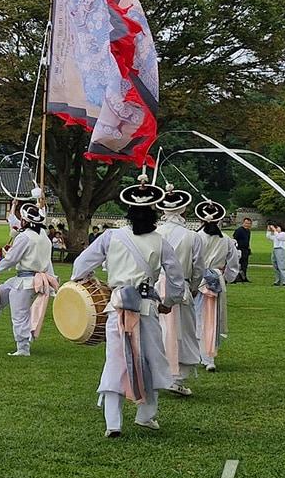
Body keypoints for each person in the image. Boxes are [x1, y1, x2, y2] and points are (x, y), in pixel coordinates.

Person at [71, 175, 184, 437]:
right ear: (154, 212)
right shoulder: (160, 242)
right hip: (146, 308)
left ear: (129, 211)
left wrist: (87, 283)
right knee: (151, 360)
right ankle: (146, 415)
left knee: (115, 360)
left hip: (116, 307)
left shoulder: (111, 236)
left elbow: (80, 267)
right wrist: (168, 303)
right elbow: (176, 280)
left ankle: (113, 422)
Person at [0, 202, 56, 357]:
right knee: (4, 289)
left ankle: (23, 348)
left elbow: (13, 258)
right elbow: (48, 262)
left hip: (26, 281)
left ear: (25, 221)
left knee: (20, 316)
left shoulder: (25, 237)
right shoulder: (44, 237)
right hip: (33, 279)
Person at [155, 187, 201, 397]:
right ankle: (177, 377)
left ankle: (158, 374)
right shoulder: (192, 236)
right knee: (182, 332)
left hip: (156, 285)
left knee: (158, 330)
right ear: (183, 210)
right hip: (180, 285)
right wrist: (192, 287)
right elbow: (198, 266)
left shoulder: (154, 233)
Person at [192, 200, 240, 373]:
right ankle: (208, 356)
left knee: (197, 317)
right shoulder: (226, 240)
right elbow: (234, 263)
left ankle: (201, 354)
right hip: (215, 279)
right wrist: (225, 277)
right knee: (212, 317)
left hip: (198, 279)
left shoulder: (195, 237)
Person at [266, 222, 285, 287]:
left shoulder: (283, 234)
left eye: (277, 227)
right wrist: (268, 230)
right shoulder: (276, 234)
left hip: (280, 250)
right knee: (275, 266)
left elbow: (278, 237)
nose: (276, 229)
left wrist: (274, 230)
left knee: (281, 266)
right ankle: (278, 281)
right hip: (275, 250)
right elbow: (269, 237)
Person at [233, 217, 252, 283]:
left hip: (245, 249)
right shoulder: (239, 230)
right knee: (238, 264)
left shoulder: (248, 231)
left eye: (249, 224)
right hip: (239, 249)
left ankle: (244, 277)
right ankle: (235, 278)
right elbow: (234, 240)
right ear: (243, 223)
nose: (247, 225)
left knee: (244, 264)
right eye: (246, 223)